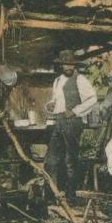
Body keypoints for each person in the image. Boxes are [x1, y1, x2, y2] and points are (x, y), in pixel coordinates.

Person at [45, 49, 98, 205]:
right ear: (61, 65)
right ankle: (53, 195)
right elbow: (55, 101)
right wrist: (50, 105)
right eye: (65, 64)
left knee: (70, 160)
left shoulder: (80, 79)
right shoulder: (57, 81)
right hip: (59, 121)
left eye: (71, 64)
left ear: (74, 65)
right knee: (52, 158)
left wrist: (75, 111)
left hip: (73, 122)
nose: (68, 67)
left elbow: (92, 98)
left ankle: (71, 196)